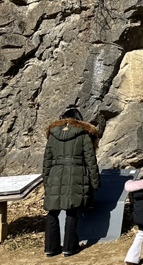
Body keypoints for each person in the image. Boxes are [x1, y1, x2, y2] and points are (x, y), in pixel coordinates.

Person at [43, 108, 101, 257]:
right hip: (76, 174)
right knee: (72, 210)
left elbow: (47, 161)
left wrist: (46, 182)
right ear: (78, 119)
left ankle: (50, 248)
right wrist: (95, 183)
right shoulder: (83, 134)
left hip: (55, 174)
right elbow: (91, 162)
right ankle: (69, 248)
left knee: (52, 212)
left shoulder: (53, 135)